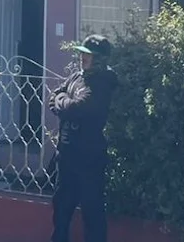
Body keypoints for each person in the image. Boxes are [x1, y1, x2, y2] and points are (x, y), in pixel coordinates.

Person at [49, 35, 118, 242]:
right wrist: (63, 101)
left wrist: (64, 102)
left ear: (99, 58)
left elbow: (79, 108)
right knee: (61, 207)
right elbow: (54, 97)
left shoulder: (104, 82)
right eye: (82, 53)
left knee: (92, 209)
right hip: (67, 154)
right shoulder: (77, 77)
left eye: (87, 55)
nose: (82, 58)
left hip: (89, 156)